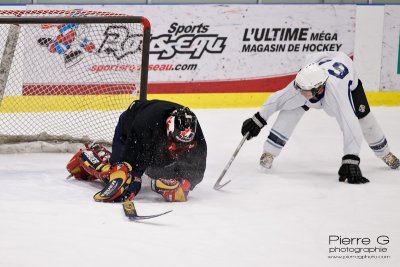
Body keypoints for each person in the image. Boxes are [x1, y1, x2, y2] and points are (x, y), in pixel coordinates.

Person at [241, 52, 399, 184]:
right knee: (289, 112)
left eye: (305, 90)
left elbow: (350, 125)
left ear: (320, 88)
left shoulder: (337, 95)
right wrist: (258, 119)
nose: (300, 92)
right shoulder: (303, 85)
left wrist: (351, 159)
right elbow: (278, 98)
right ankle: (269, 152)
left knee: (364, 120)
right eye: (299, 88)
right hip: (320, 61)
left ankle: (385, 153)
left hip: (350, 85)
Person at [66, 99, 207, 202]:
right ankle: (90, 156)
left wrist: (185, 183)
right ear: (169, 127)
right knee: (119, 176)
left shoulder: (193, 131)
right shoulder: (146, 124)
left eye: (183, 142)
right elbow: (134, 158)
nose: (178, 145)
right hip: (130, 130)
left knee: (159, 174)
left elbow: (197, 164)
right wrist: (134, 180)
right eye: (176, 141)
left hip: (156, 141)